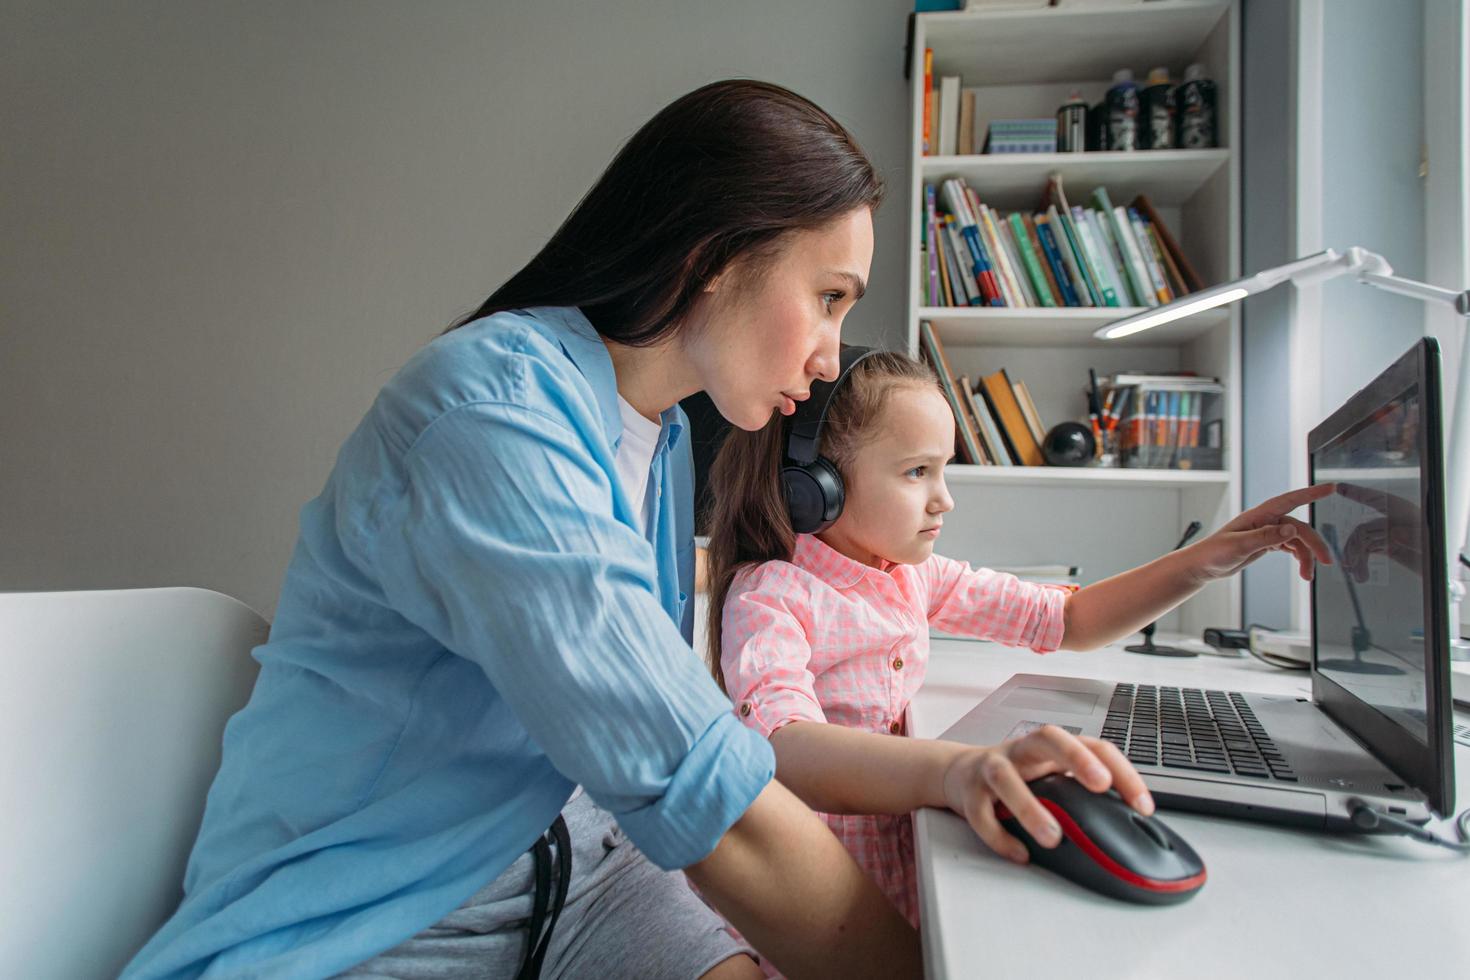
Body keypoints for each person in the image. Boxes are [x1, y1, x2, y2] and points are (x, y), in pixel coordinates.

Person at [121, 80, 923, 980]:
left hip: (584, 881)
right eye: (827, 297)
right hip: (384, 912)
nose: (828, 359)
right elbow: (705, 793)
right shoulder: (491, 417)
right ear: (712, 259)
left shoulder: (654, 439)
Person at [705, 348, 1333, 927]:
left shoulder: (911, 578)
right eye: (916, 471)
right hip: (819, 893)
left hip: (907, 854)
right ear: (815, 486)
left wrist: (1203, 560)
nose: (943, 500)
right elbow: (785, 748)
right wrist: (958, 768)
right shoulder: (773, 595)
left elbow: (1068, 621)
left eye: (943, 470)